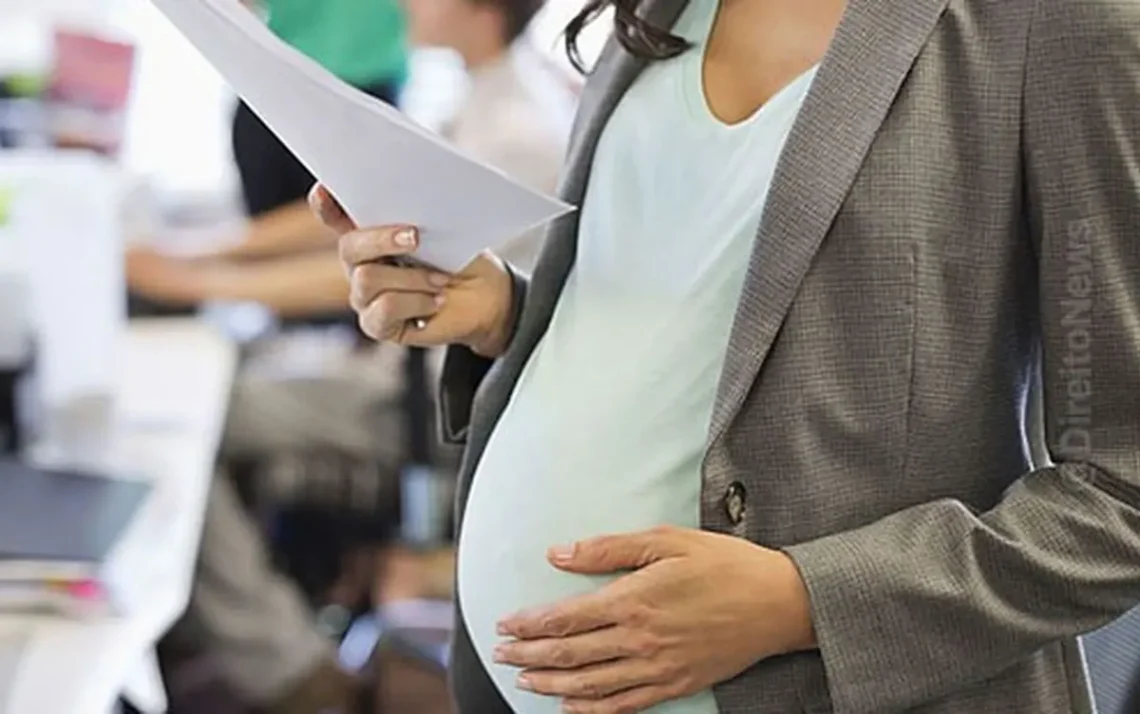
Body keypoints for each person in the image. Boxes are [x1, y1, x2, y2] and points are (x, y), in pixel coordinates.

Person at [319, 0, 1140, 711]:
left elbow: (1122, 493)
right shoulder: (661, 10)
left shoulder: (1056, 23)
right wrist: (506, 310)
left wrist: (804, 601)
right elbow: (706, 315)